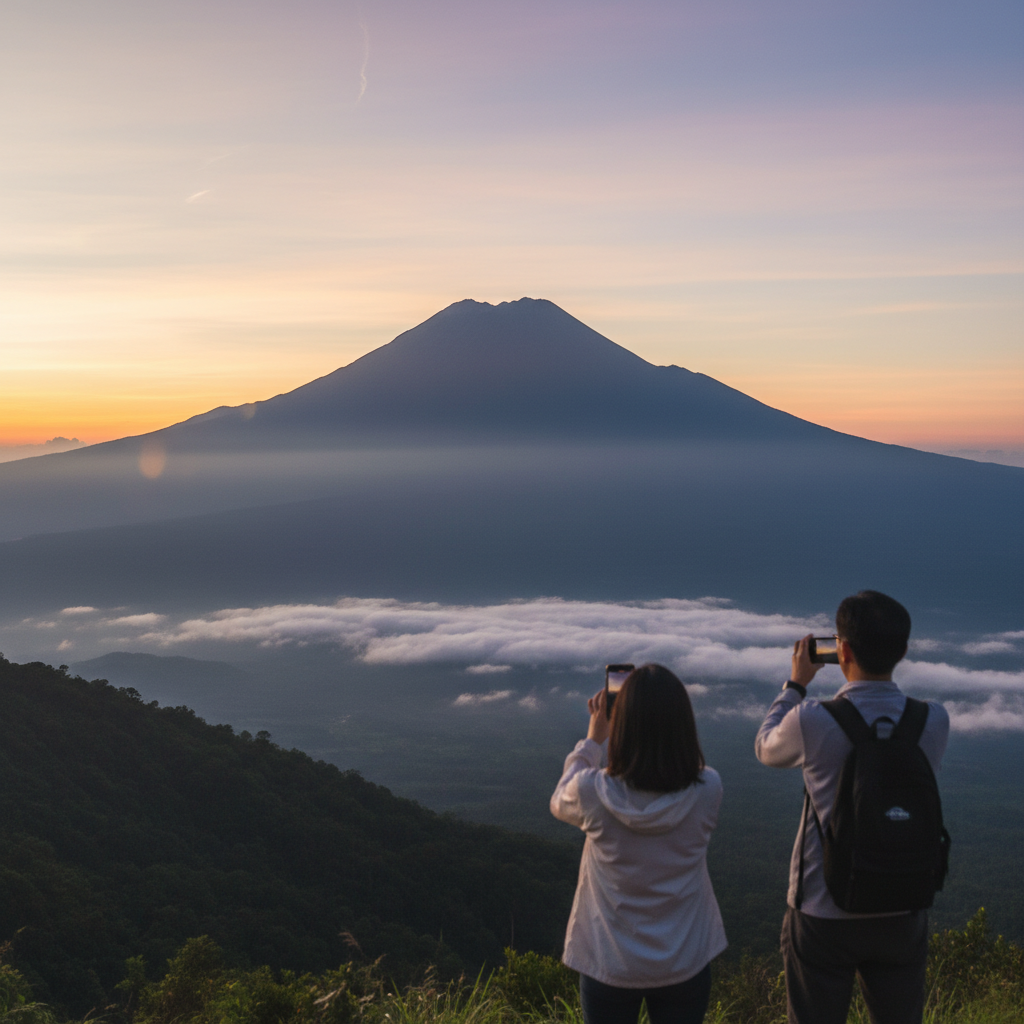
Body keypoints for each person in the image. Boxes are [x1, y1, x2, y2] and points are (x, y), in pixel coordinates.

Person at [756, 590, 950, 1024]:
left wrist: (794, 685)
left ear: (840, 649)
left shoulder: (813, 719)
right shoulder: (933, 720)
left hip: (824, 907)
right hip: (904, 903)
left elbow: (765, 749)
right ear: (903, 650)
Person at [550, 663, 727, 1024]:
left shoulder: (592, 793)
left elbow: (558, 800)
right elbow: (678, 768)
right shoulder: (708, 789)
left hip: (609, 963)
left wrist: (593, 740)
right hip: (685, 959)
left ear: (621, 724)